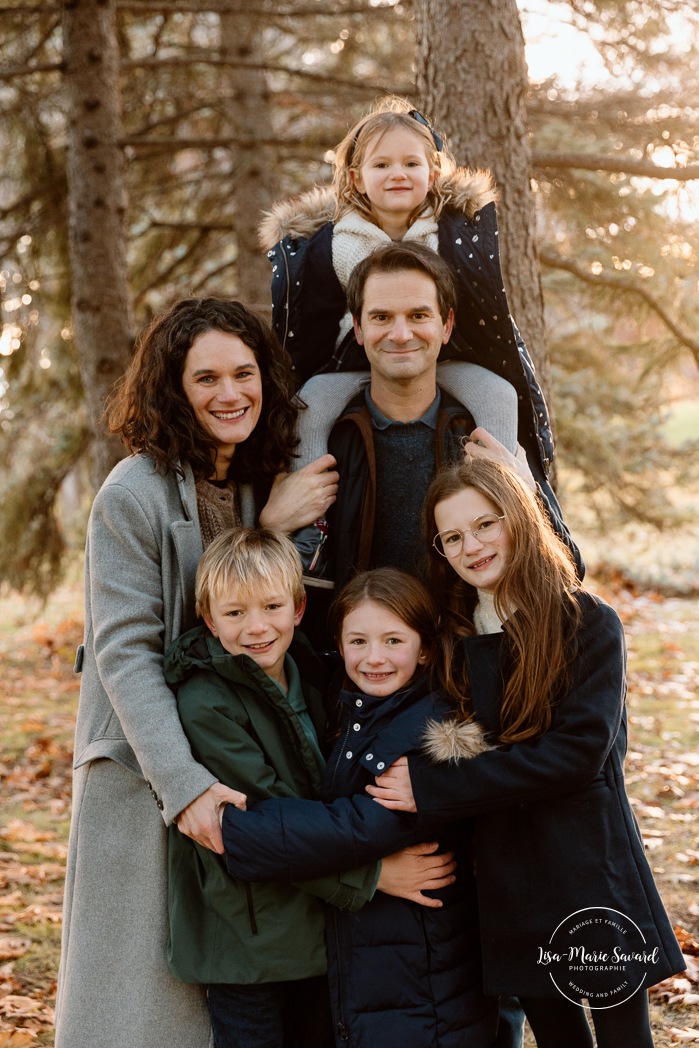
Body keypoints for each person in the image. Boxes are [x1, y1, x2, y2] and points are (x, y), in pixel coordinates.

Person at [55, 298, 341, 1048]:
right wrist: (180, 786)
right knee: (146, 1003)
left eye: (243, 373)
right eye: (205, 377)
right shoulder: (132, 493)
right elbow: (128, 652)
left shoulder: (250, 477)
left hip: (235, 755)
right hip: (153, 767)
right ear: (173, 388)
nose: (228, 393)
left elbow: (256, 615)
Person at [366, 458, 686, 1048]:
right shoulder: (455, 638)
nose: (472, 546)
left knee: (622, 1036)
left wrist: (438, 788)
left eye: (485, 524)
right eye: (453, 537)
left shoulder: (587, 622)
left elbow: (576, 754)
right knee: (557, 1036)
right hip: (510, 873)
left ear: (519, 518)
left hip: (587, 863)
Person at [260, 97, 552, 574]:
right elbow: (307, 325)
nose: (398, 173)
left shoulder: (450, 235)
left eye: (411, 163)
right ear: (355, 177)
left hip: (444, 356)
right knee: (310, 404)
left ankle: (504, 515)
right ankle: (309, 530)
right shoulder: (335, 242)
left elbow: (488, 314)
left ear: (433, 173)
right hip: (352, 362)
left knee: (497, 394)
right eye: (382, 164)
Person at [220, 567, 499, 1048]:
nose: (374, 658)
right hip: (374, 967)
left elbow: (361, 827)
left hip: (422, 978)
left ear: (426, 648)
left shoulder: (434, 733)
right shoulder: (344, 710)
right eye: (359, 641)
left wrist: (236, 831)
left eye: (394, 641)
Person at [298, 239, 581, 645]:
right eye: (381, 317)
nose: (400, 333)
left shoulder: (482, 435)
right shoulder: (330, 441)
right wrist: (275, 522)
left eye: (418, 315)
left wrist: (524, 495)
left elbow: (570, 566)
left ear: (445, 326)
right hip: (360, 671)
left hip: (469, 664)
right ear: (358, 329)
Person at [165, 526, 382, 1048]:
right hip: (247, 936)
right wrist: (374, 875)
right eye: (235, 613)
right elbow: (268, 817)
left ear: (299, 608)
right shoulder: (205, 702)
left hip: (315, 926)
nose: (257, 627)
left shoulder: (309, 674)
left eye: (271, 607)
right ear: (210, 620)